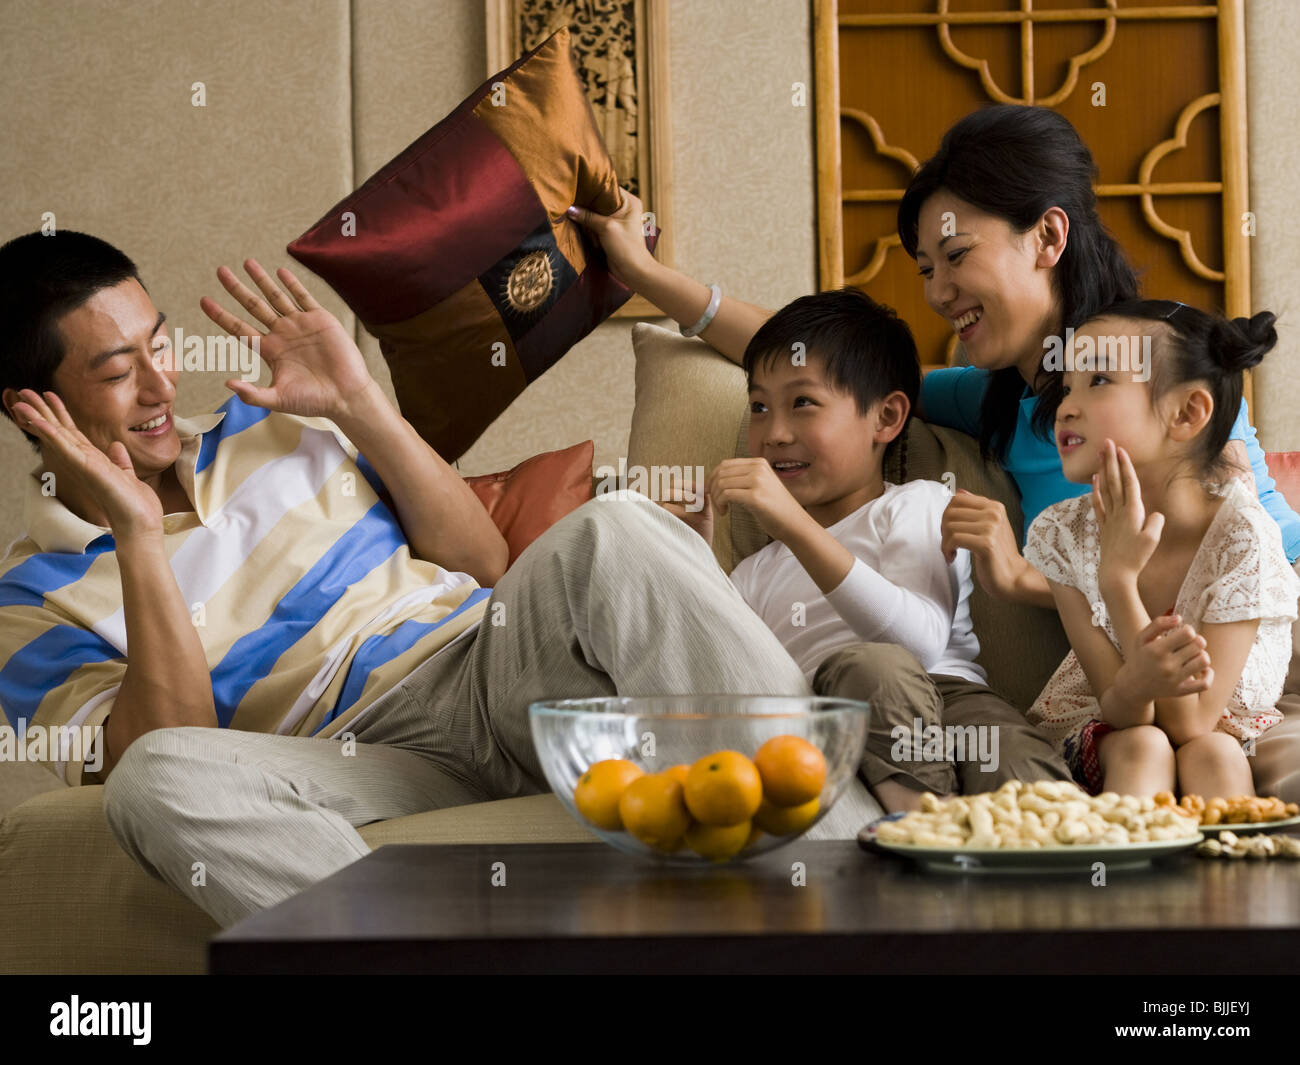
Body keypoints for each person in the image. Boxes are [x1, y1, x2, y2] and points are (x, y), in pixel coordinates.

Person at [0, 230, 843, 929]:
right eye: (116, 372)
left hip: (492, 667)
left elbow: (481, 560)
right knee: (154, 780)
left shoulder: (271, 418)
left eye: (160, 343)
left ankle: (842, 878)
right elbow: (167, 740)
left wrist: (360, 401)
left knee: (615, 526)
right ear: (31, 406)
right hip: (350, 758)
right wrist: (139, 539)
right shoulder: (26, 599)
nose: (160, 384)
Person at [567, 103, 1300, 803]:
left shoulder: (1157, 398)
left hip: (1264, 668)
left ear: (1048, 238)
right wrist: (651, 277)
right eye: (925, 269)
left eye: (956, 255)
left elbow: (1201, 571)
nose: (939, 292)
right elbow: (822, 364)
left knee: (1226, 759)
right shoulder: (988, 399)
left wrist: (1023, 577)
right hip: (1143, 699)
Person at [658, 286, 1070, 812]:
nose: (774, 433)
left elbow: (917, 647)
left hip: (952, 702)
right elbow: (723, 673)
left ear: (886, 418)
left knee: (1028, 781)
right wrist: (695, 556)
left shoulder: (919, 504)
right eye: (759, 407)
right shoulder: (757, 571)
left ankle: (1041, 857)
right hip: (832, 719)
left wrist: (793, 527)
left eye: (803, 403)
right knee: (870, 670)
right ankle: (926, 828)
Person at [1023, 301, 1299, 797]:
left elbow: (1192, 722)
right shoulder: (1061, 533)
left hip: (1215, 727)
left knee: (1214, 752)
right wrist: (1116, 579)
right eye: (1067, 387)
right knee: (1143, 746)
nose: (1065, 405)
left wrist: (1119, 584)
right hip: (1111, 725)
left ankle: (1235, 863)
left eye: (1099, 381)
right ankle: (1119, 868)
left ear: (1187, 412)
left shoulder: (1243, 537)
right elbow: (1121, 708)